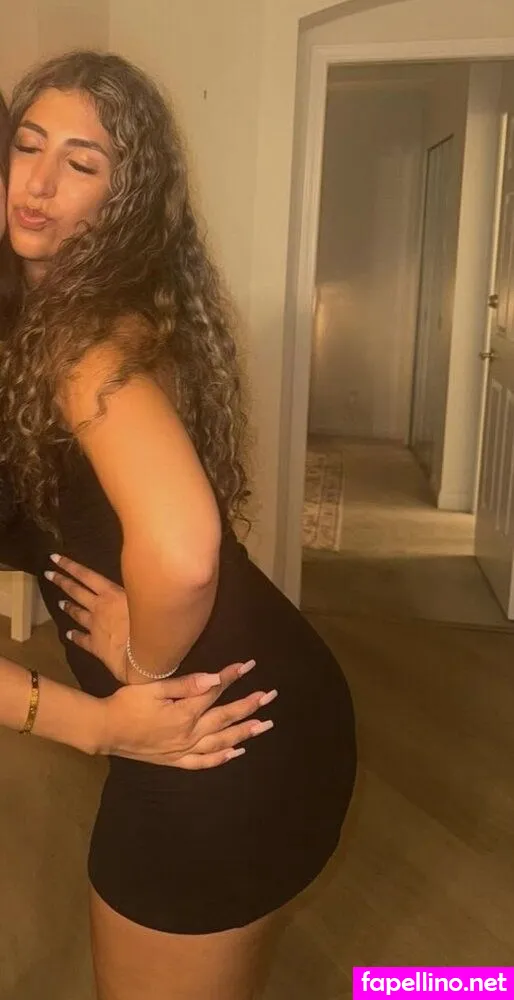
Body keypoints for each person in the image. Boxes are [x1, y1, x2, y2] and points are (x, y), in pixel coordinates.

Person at [0, 52, 357, 1000]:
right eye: (27, 147)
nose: (38, 182)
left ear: (124, 199)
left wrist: (134, 681)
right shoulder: (86, 317)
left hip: (211, 742)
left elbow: (184, 550)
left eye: (81, 162)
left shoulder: (83, 341)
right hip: (268, 713)